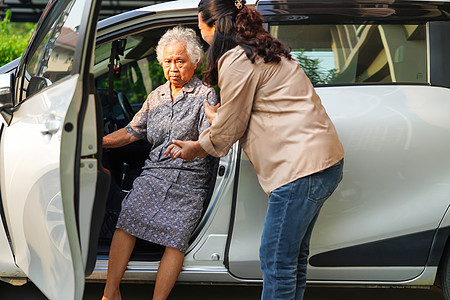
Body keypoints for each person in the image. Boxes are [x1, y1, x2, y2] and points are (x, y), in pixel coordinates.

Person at [165, 1, 345, 299]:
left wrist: (196, 148)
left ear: (217, 26)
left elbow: (230, 129)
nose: (201, 36)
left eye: (201, 29)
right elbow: (255, 109)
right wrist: (219, 118)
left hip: (300, 169)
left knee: (275, 259)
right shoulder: (261, 50)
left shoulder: (237, 60)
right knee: (290, 259)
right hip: (322, 163)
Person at [101, 26, 218, 300]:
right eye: (167, 62)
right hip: (155, 174)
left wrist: (192, 150)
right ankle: (110, 292)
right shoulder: (156, 96)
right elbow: (132, 131)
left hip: (191, 177)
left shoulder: (206, 95)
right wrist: (99, 142)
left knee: (177, 236)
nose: (173, 68)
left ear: (195, 62)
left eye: (180, 61)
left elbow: (209, 141)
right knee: (128, 216)